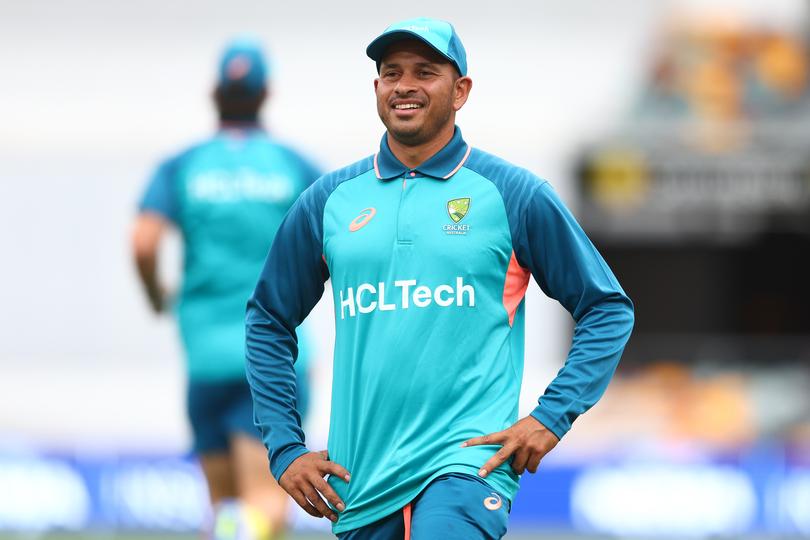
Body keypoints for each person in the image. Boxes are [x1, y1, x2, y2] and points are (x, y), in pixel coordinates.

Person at [245, 18, 634, 539]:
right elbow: (267, 319)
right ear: (377, 89)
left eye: (425, 72)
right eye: (391, 73)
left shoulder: (512, 193)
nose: (404, 85)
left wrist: (551, 416)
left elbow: (607, 309)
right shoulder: (329, 200)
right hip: (360, 482)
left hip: (465, 468)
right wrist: (286, 447)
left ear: (461, 91)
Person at [132, 38, 320, 539]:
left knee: (223, 507)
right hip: (273, 350)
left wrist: (157, 298)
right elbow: (338, 241)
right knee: (266, 498)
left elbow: (144, 243)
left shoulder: (183, 165)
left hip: (206, 353)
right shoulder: (294, 166)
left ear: (216, 93)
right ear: (266, 94)